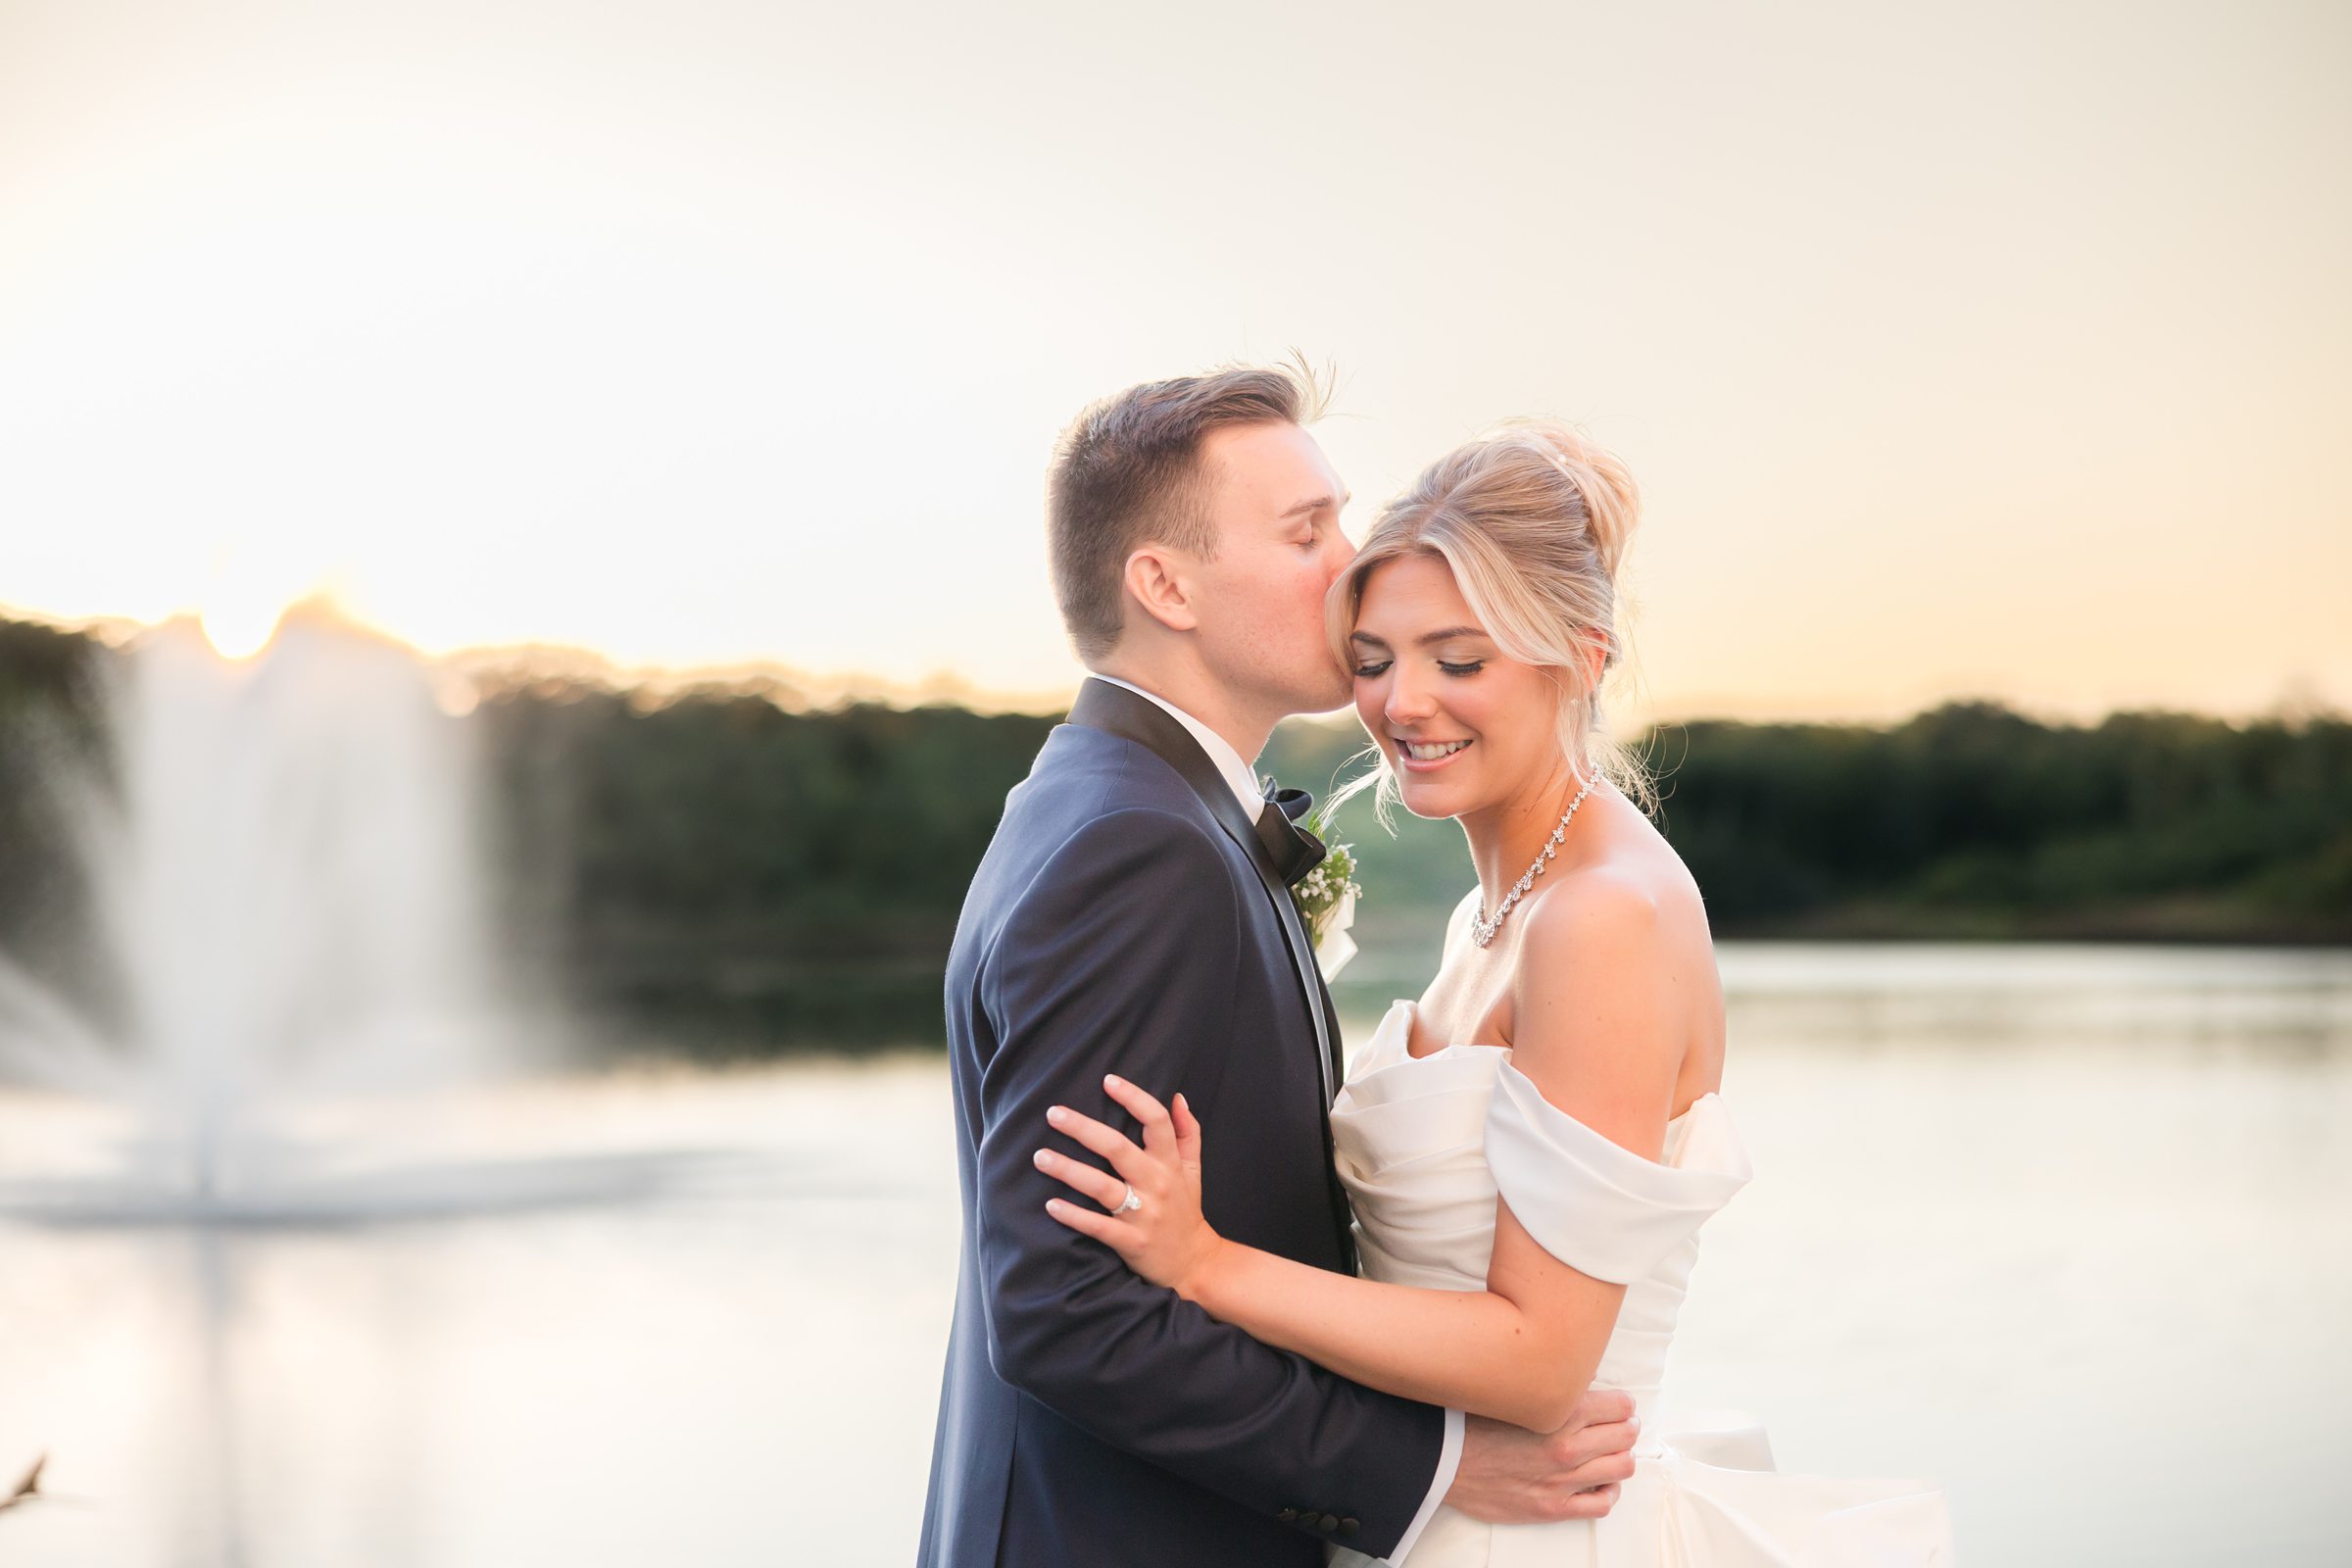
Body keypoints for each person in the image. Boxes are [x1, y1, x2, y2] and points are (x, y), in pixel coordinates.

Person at [1032, 419, 1957, 1563]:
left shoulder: (1602, 917)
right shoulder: (1504, 909)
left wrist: (1209, 1264)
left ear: (1583, 655)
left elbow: (1541, 1357)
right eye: (1372, 660)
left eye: (1459, 660)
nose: (1405, 702)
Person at [917, 368, 1641, 1567]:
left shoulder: (1125, 803)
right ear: (1165, 583)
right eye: (1308, 532)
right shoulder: (1134, 846)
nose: (1351, 565)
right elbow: (1067, 1308)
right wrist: (1430, 1469)